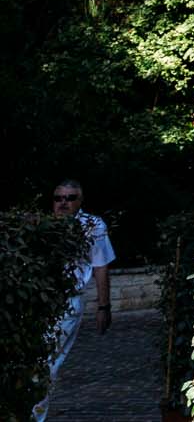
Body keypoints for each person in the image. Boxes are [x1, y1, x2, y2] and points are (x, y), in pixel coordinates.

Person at [33, 179, 115, 422]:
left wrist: (104, 306)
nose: (63, 203)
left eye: (69, 198)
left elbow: (101, 266)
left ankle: (35, 415)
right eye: (58, 198)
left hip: (68, 303)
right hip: (38, 302)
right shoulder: (41, 225)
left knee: (48, 363)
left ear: (80, 201)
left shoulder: (92, 226)